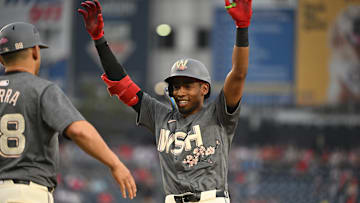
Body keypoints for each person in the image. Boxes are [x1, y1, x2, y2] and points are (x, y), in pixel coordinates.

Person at [78, 0, 252, 202]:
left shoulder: (219, 114)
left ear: (204, 88)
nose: (180, 91)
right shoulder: (159, 115)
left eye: (188, 85)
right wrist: (99, 39)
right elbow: (121, 84)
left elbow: (238, 74)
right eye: (176, 86)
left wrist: (242, 28)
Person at [0, 22, 136, 203]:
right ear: (34, 51)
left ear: (2, 59)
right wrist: (115, 163)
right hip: (25, 193)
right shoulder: (41, 89)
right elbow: (80, 131)